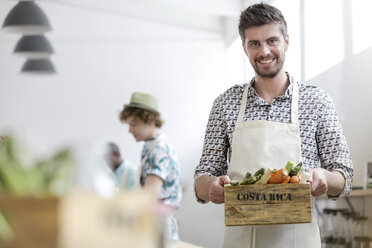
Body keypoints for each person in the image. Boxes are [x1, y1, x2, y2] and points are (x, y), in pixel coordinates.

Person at [194, 3, 353, 248]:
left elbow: (344, 176)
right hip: (241, 240)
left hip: (299, 239)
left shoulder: (317, 101)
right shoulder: (225, 103)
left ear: (286, 41)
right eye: (254, 43)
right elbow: (203, 175)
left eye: (272, 40)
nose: (264, 51)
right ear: (245, 48)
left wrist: (324, 178)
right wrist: (209, 187)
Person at [119, 91, 182, 240]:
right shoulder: (151, 147)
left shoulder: (159, 151)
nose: (130, 130)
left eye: (134, 124)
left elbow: (149, 196)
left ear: (151, 120)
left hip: (158, 227)